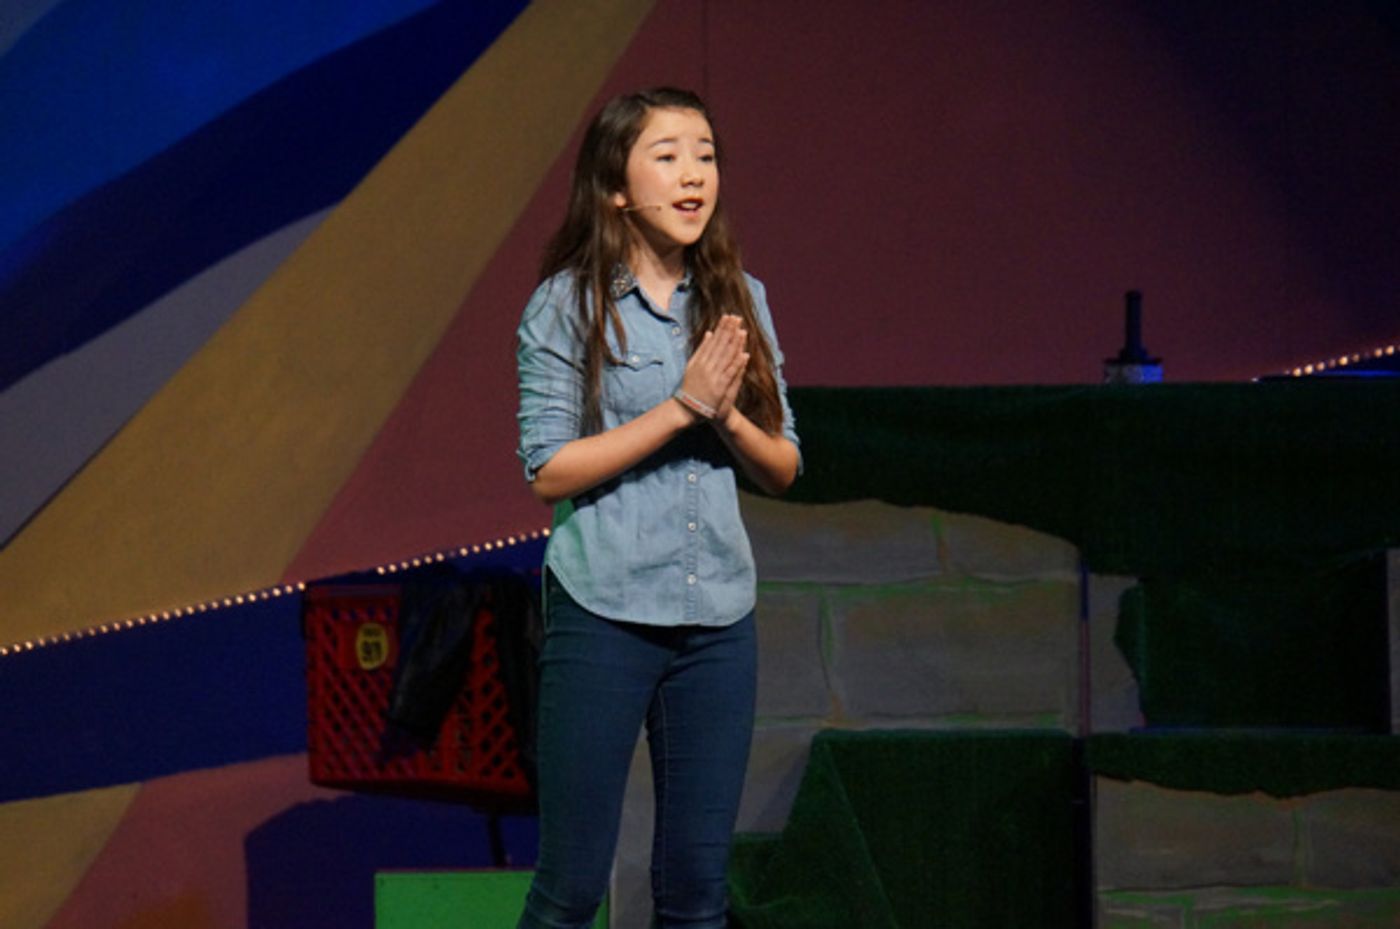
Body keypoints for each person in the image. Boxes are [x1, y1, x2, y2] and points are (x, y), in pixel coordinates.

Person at [513, 87, 801, 929]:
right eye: (668, 155)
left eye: (706, 155)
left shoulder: (738, 297)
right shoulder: (568, 305)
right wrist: (680, 408)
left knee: (697, 892)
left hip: (717, 619)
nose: (693, 175)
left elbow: (784, 464)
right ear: (614, 186)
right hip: (603, 609)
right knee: (570, 887)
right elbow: (548, 468)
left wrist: (724, 412)